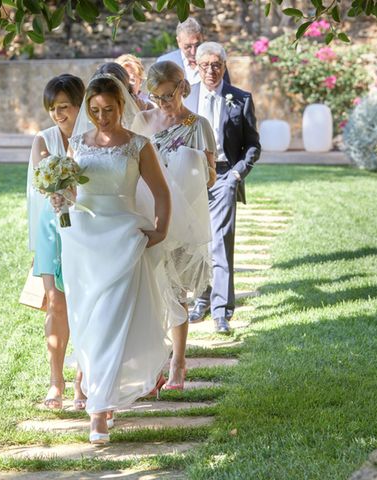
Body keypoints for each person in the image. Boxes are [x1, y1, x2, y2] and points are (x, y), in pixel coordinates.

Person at [55, 74, 174, 444]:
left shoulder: (138, 145)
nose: (102, 117)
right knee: (88, 323)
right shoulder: (78, 143)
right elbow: (72, 192)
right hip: (83, 241)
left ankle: (100, 413)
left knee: (110, 322)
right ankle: (98, 395)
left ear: (121, 106)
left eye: (108, 110)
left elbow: (162, 194)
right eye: (94, 111)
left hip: (123, 238)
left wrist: (161, 230)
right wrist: (59, 199)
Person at [133, 60, 216, 390]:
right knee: (150, 291)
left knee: (178, 292)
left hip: (185, 216)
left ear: (183, 87)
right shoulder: (143, 122)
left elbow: (211, 175)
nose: (163, 104)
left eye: (168, 95)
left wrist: (189, 168)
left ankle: (178, 363)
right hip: (149, 212)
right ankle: (153, 365)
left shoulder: (199, 125)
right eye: (156, 97)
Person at [183, 42, 261, 334]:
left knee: (220, 242)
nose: (211, 71)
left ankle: (221, 310)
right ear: (197, 67)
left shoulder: (239, 99)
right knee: (197, 243)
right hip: (192, 178)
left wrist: (238, 173)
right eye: (205, 65)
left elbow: (253, 144)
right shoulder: (187, 101)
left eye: (216, 65)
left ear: (224, 67)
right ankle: (200, 301)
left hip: (226, 175)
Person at [25, 74, 87, 409]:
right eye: (52, 107)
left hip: (84, 227)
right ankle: (55, 382)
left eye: (64, 106)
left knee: (82, 303)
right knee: (55, 302)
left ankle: (82, 381)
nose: (58, 114)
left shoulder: (91, 138)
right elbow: (41, 183)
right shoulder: (43, 139)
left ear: (79, 105)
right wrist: (55, 192)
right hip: (51, 227)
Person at [157, 18, 231, 86]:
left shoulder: (216, 62)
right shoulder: (164, 63)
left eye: (197, 45)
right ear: (178, 41)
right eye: (188, 47)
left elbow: (227, 94)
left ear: (203, 39)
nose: (193, 52)